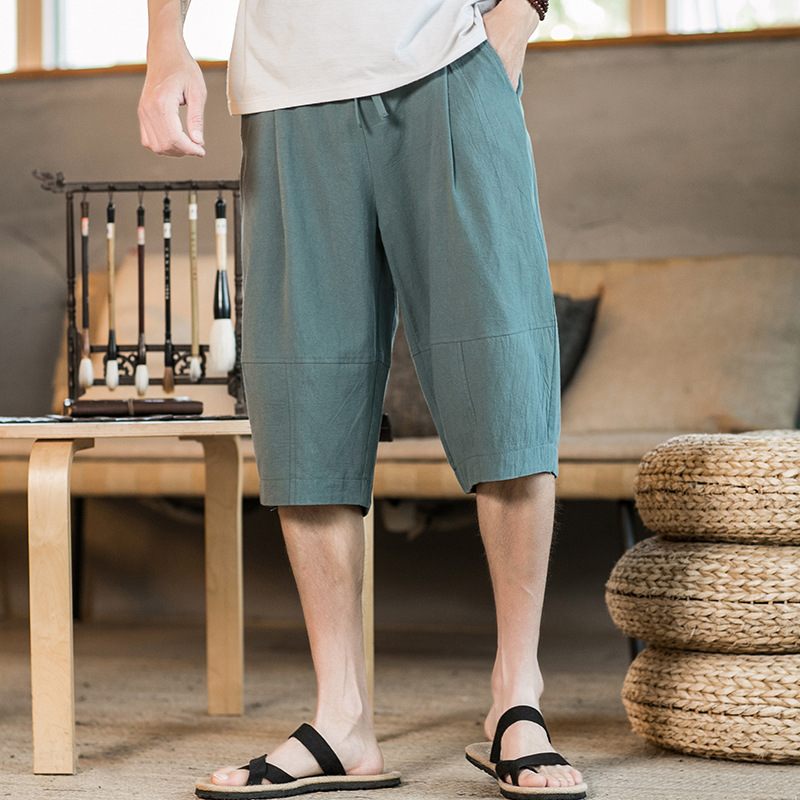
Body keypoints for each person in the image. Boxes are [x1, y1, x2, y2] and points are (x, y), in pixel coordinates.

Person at [138, 1, 587, 798]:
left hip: (449, 68)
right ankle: (340, 721)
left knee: (503, 377)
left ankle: (518, 697)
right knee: (306, 394)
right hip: (285, 96)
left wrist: (517, 16)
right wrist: (165, 42)